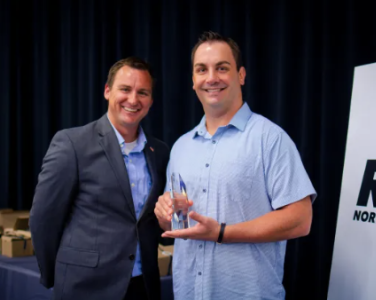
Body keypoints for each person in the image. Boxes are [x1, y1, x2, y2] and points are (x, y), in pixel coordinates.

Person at [154, 31, 317, 299]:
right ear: (193, 81)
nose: (211, 78)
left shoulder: (270, 138)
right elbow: (174, 225)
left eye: (222, 68)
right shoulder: (181, 146)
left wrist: (221, 232)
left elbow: (300, 220)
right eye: (201, 69)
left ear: (241, 75)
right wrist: (164, 215)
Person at [30, 57, 169, 300]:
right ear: (107, 91)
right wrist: (58, 274)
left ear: (151, 101)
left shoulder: (160, 152)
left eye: (142, 92)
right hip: (85, 286)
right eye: (125, 89)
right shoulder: (72, 144)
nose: (133, 100)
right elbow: (43, 219)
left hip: (143, 285)